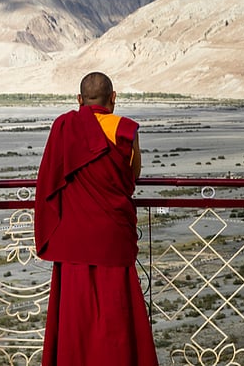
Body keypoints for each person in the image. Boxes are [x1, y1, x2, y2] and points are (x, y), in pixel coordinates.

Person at [34, 72, 158, 366]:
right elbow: (132, 176)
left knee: (75, 317)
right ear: (113, 98)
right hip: (111, 236)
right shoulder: (124, 129)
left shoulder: (64, 126)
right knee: (117, 312)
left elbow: (49, 180)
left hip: (73, 239)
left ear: (79, 100)